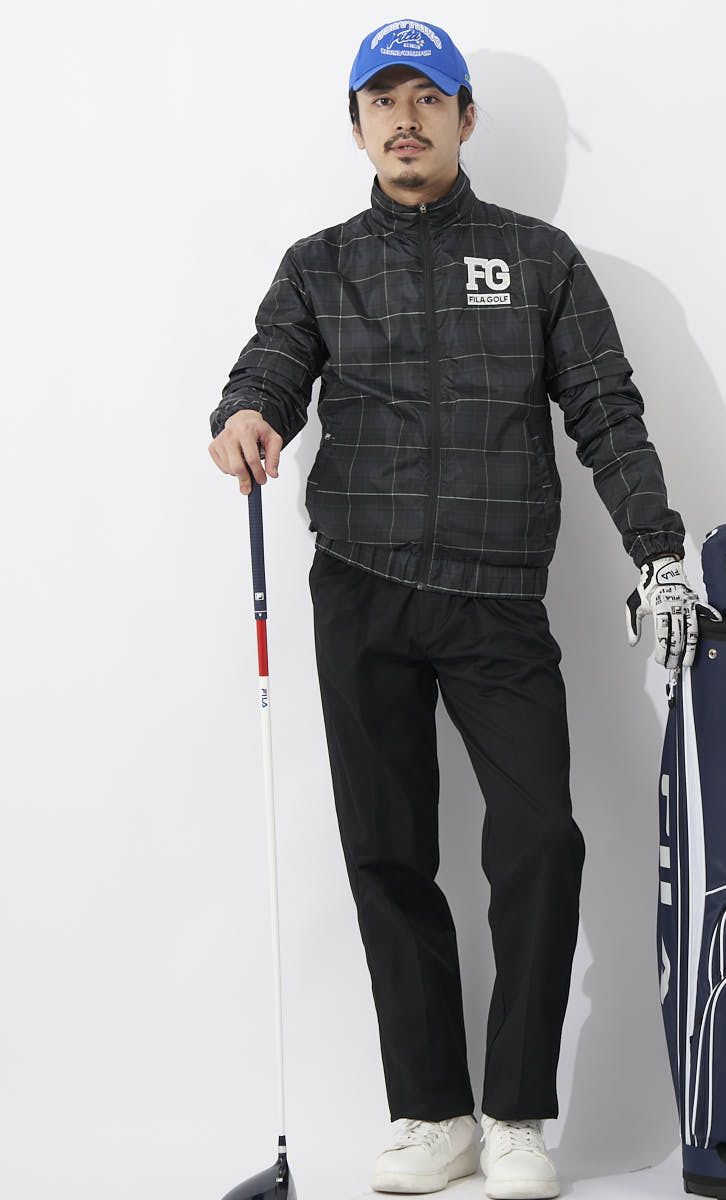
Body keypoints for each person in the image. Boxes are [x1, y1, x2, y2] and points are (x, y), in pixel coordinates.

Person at [208, 18, 699, 1198]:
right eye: (382, 101)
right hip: (361, 586)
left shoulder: (538, 259)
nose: (405, 119)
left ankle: (516, 1114)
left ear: (465, 118)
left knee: (541, 841)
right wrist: (245, 413)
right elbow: (269, 366)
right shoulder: (319, 265)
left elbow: (607, 412)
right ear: (357, 127)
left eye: (427, 98)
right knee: (388, 853)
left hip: (496, 598)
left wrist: (659, 552)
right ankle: (432, 1114)